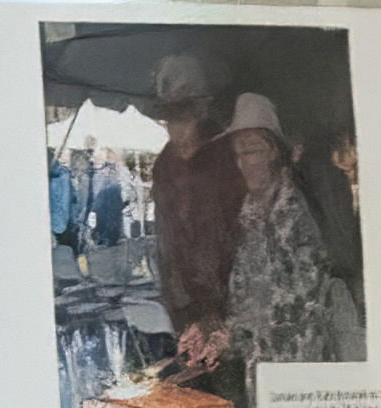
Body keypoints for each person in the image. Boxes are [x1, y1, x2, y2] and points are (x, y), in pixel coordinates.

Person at [218, 101, 353, 390]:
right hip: (261, 370)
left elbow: (299, 305)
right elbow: (243, 290)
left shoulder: (299, 210)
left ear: (275, 152)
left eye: (251, 151)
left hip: (303, 372)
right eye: (238, 154)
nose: (243, 164)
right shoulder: (248, 212)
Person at [142, 54, 239, 375]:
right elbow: (167, 242)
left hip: (231, 303)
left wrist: (218, 308)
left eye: (182, 113)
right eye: (169, 115)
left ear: (200, 110)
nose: (174, 126)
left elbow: (238, 234)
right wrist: (177, 304)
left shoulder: (227, 153)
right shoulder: (165, 164)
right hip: (185, 305)